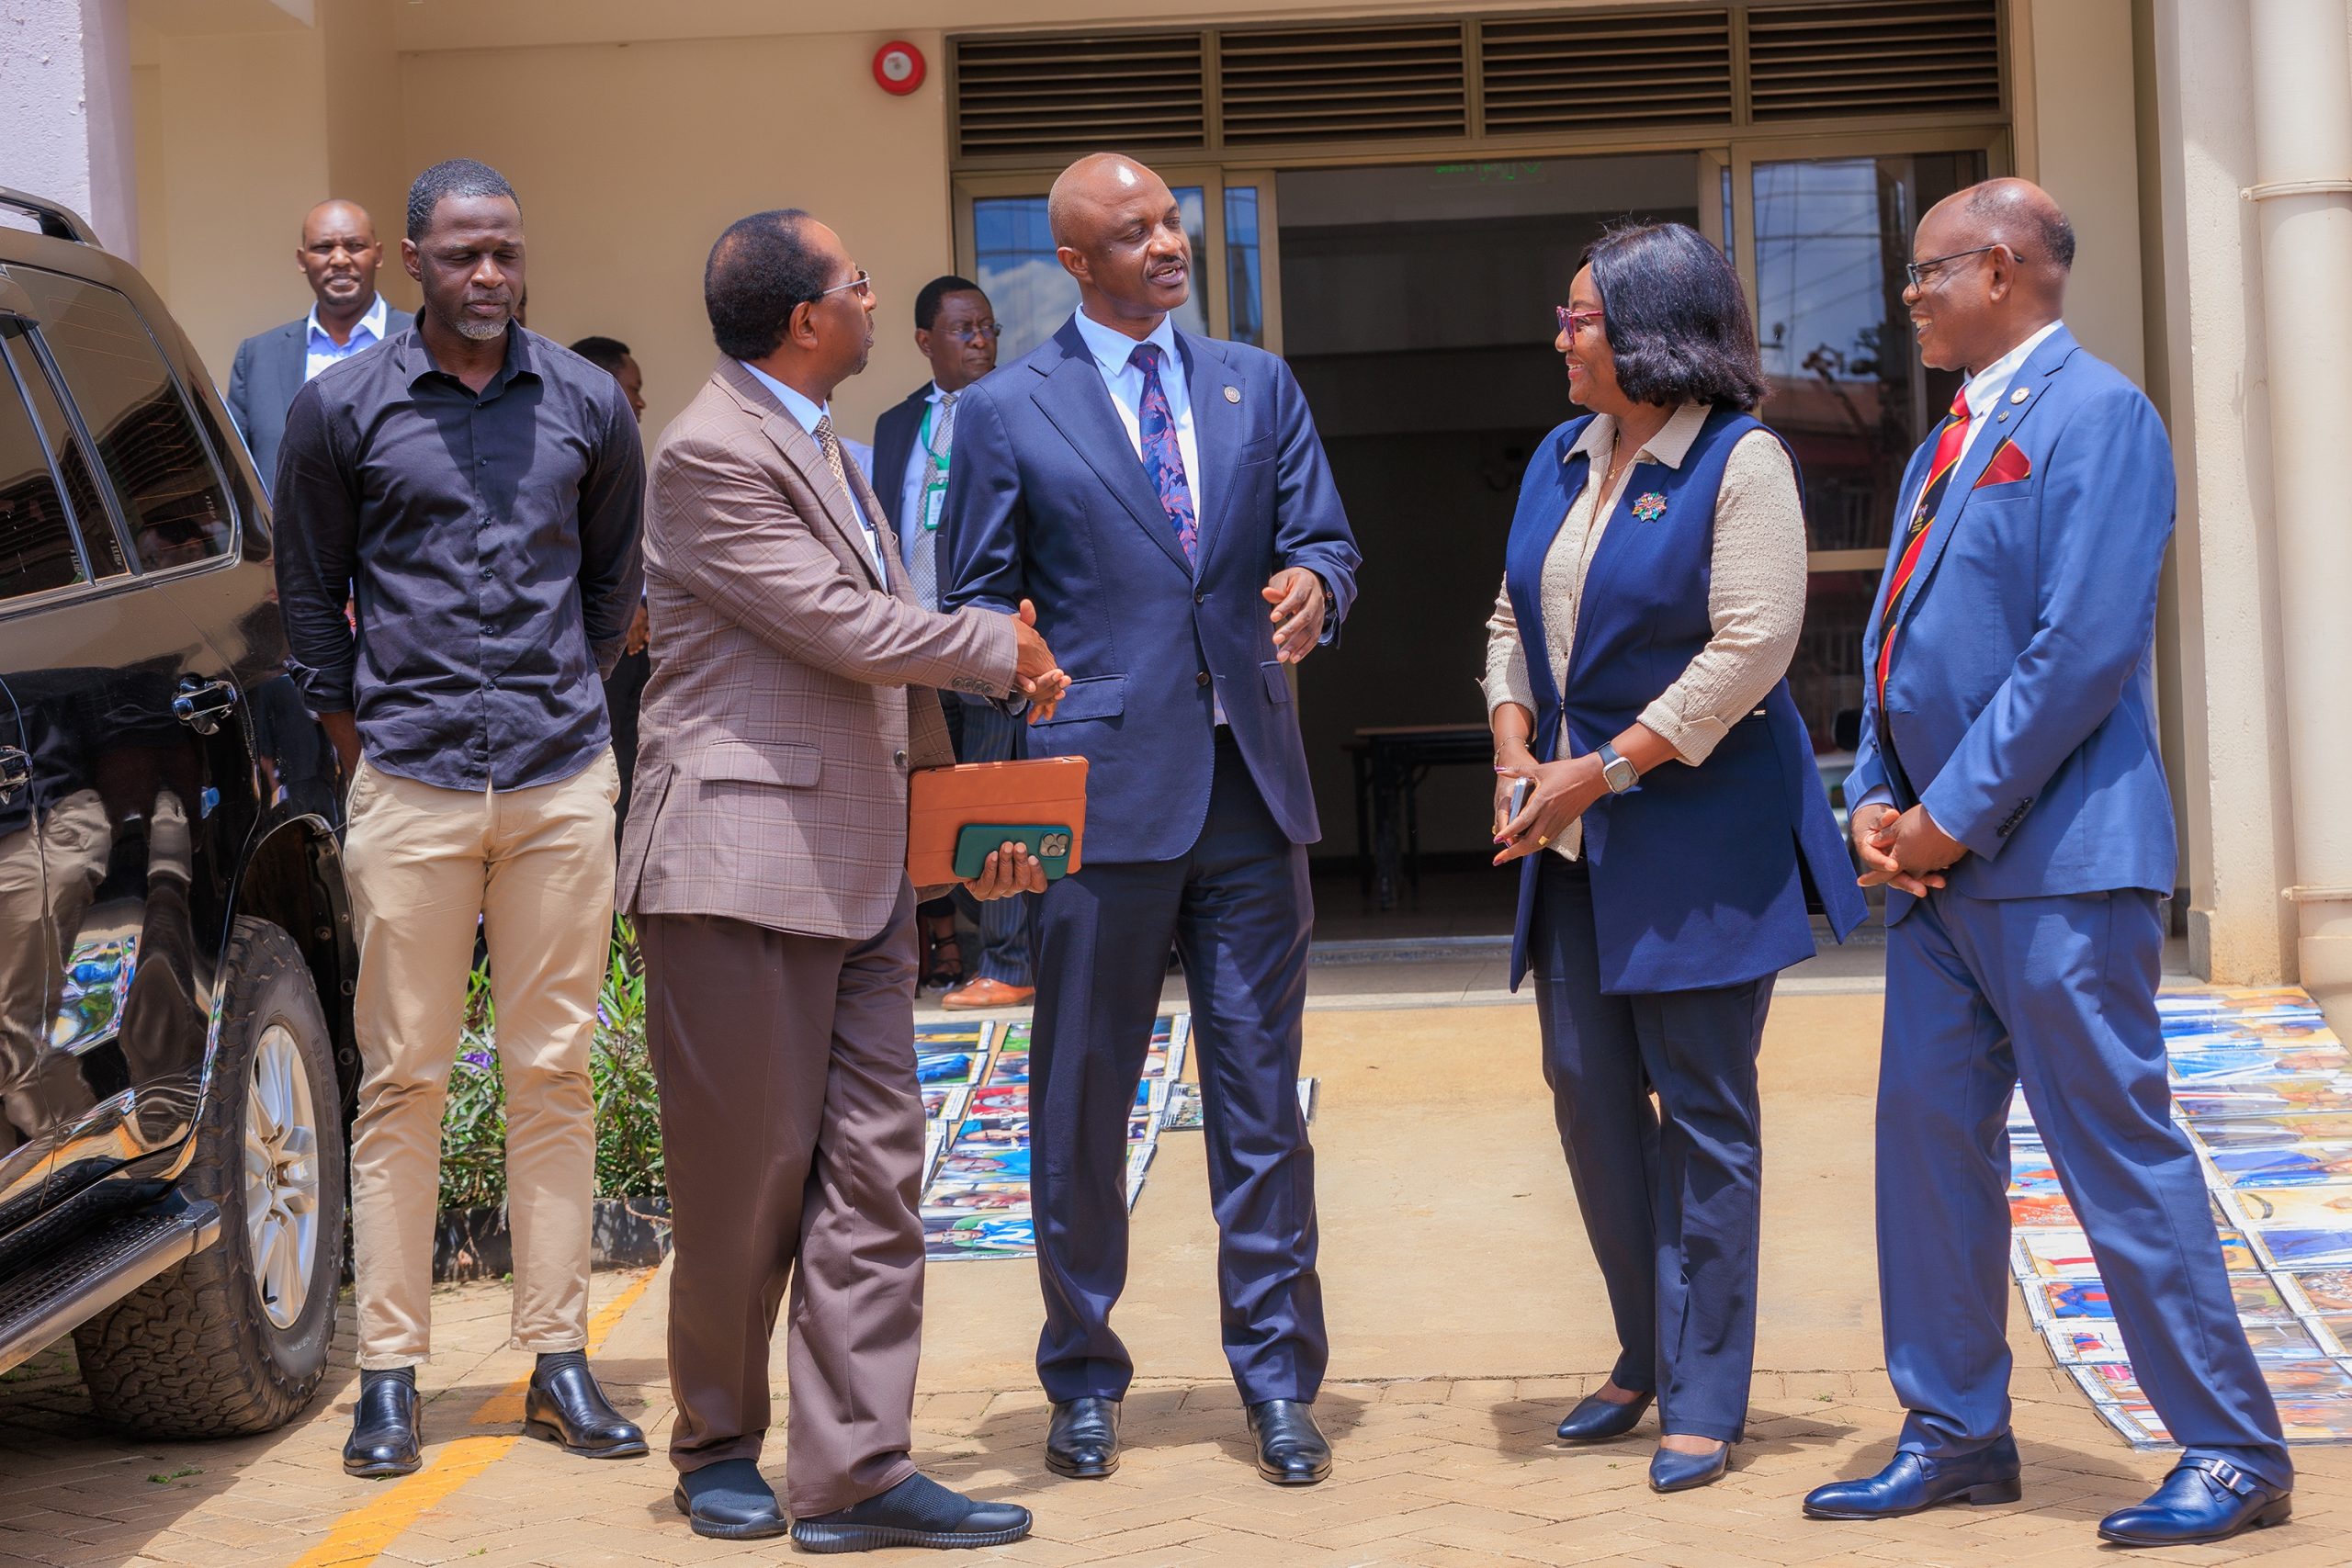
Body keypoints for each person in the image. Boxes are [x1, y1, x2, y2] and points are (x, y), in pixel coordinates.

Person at [1801, 179, 2293, 1545]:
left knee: (2117, 1158)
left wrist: (1946, 816)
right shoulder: (1940, 441)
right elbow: (1899, 646)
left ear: (2006, 268)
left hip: (2060, 866)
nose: (1907, 297)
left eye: (1926, 272)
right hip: (1941, 877)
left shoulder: (2100, 416)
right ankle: (1956, 1427)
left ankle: (2233, 1450)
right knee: (1928, 1155)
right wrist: (1878, 796)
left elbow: (2080, 650)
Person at [619, 208, 1059, 1551]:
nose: (878, 300)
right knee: (746, 1178)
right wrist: (993, 643)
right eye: (860, 284)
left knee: (875, 1175)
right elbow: (836, 623)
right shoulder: (706, 450)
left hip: (860, 869)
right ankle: (714, 1445)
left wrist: (947, 825)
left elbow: (865, 653)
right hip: (739, 866)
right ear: (807, 319)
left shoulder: (830, 439)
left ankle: (857, 1468)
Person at [943, 152, 1361, 1487]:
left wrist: (1313, 585)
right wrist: (998, 840)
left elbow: (1329, 544)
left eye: (1171, 221)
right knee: (1079, 1100)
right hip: (1096, 802)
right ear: (1072, 260)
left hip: (1253, 793)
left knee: (1261, 1102)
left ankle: (1281, 1380)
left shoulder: (1257, 383)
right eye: (1132, 233)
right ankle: (1081, 1372)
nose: (1166, 245)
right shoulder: (1008, 409)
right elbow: (977, 609)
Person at [272, 158, 648, 1480]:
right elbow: (310, 594)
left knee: (554, 1070)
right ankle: (391, 1374)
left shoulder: (587, 401)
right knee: (405, 1079)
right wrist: (351, 731)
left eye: (507, 251)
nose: (489, 275)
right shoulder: (341, 411)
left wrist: (569, 702)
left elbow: (615, 581)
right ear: (413, 262)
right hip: (413, 780)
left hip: (555, 777)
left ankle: (557, 1359)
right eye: (463, 255)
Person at [1483, 221, 1866, 1495]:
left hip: (1699, 838)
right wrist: (1514, 747)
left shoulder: (1741, 461)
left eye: (1582, 317)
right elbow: (1510, 614)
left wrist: (1604, 766)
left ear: (1651, 329)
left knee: (1704, 1114)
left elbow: (1753, 644)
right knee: (1591, 1097)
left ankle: (1706, 1391)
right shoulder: (1560, 451)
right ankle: (1642, 1348)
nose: (1561, 338)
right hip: (1575, 842)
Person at [872, 275, 1036, 1009]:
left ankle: (1007, 963)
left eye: (989, 328)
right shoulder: (895, 425)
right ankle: (914, 954)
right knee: (923, 802)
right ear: (924, 342)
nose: (982, 341)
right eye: (965, 329)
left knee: (994, 793)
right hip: (913, 643)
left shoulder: (1019, 410)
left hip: (987, 637)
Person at [227, 199, 413, 491]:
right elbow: (234, 471)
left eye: (354, 246)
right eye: (323, 248)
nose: (339, 259)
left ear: (378, 254)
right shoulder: (257, 357)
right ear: (302, 260)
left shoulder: (421, 343)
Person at [571, 335, 652, 838]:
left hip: (630, 653)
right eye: (632, 388)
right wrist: (623, 613)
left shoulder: (625, 452)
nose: (641, 402)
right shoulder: (565, 457)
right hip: (589, 654)